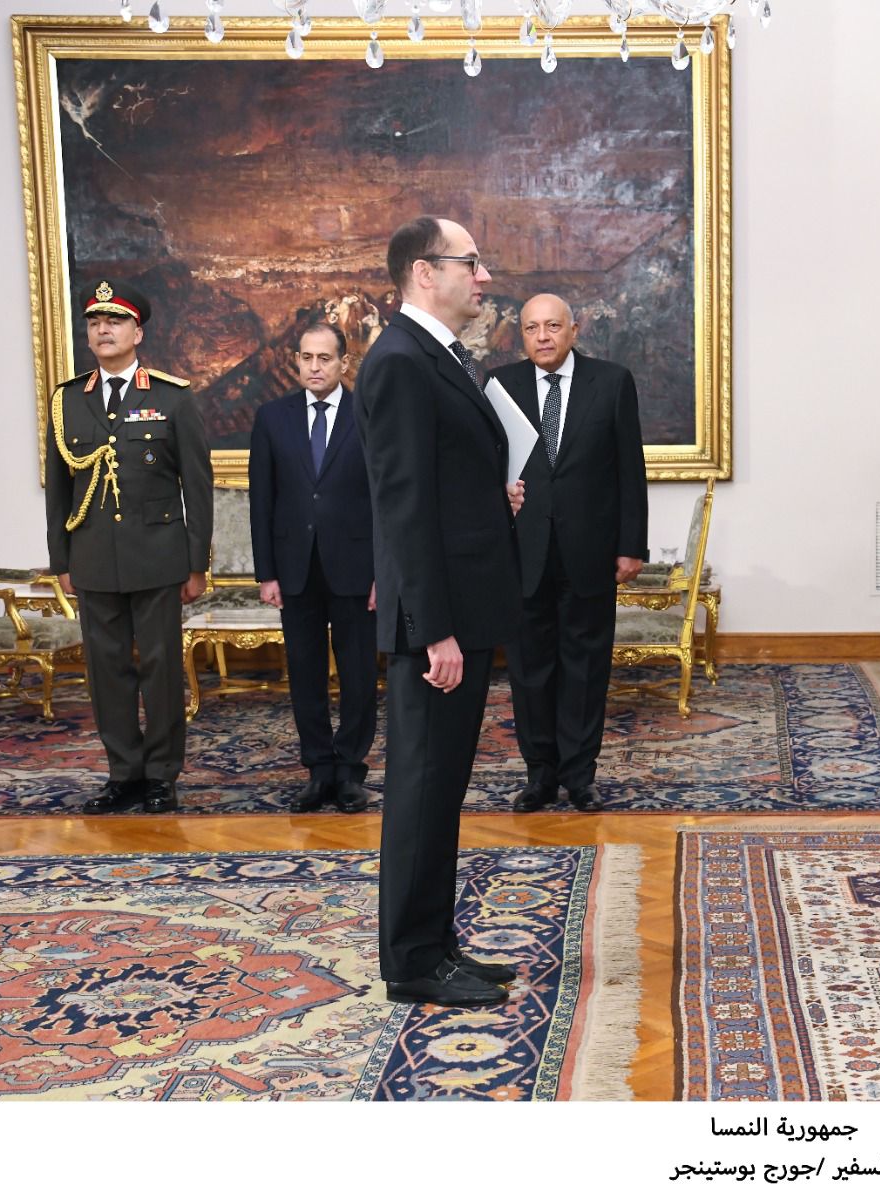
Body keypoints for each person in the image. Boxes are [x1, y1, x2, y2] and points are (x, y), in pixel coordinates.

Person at [356, 216, 525, 1008]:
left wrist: (493, 496)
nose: (483, 277)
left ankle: (436, 942)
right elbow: (403, 507)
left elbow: (441, 484)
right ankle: (413, 961)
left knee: (442, 784)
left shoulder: (439, 355)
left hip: (462, 607)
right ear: (426, 272)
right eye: (471, 262)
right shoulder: (399, 360)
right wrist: (434, 630)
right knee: (422, 787)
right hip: (438, 625)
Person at [45, 279, 212, 815]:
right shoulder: (68, 401)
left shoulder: (171, 396)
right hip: (93, 559)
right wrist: (61, 561)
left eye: (115, 321)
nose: (103, 330)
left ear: (137, 333)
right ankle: (124, 774)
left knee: (161, 670)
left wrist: (197, 564)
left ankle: (161, 775)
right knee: (106, 672)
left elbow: (197, 486)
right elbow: (59, 490)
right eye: (95, 322)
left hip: (158, 558)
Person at [486, 293, 648, 814]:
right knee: (529, 669)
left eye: (553, 326)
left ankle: (580, 777)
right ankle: (540, 775)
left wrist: (632, 546)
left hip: (590, 551)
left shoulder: (612, 381)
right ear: (521, 334)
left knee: (585, 667)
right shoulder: (500, 386)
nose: (543, 337)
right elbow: (486, 467)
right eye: (532, 328)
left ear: (574, 330)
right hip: (522, 551)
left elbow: (630, 470)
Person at [248, 322, 377, 814]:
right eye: (307, 358)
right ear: (296, 362)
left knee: (359, 675)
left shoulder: (369, 415)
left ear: (344, 363)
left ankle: (350, 771)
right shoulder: (272, 417)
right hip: (295, 569)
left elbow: (384, 499)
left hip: (357, 568)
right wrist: (267, 573)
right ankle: (319, 770)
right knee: (304, 674)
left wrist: (384, 573)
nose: (315, 367)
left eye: (325, 358)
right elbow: (263, 500)